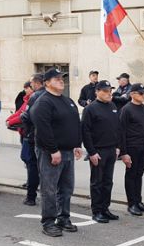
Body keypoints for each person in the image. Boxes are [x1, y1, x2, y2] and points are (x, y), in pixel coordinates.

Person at [30, 68, 82, 237]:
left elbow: (74, 124)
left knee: (66, 188)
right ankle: (48, 222)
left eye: (62, 78)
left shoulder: (68, 101)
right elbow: (43, 129)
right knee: (49, 189)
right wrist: (53, 150)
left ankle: (63, 217)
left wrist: (76, 144)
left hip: (68, 151)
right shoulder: (44, 102)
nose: (61, 80)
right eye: (56, 78)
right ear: (47, 82)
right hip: (50, 152)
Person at [82, 80, 121, 223]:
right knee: (97, 182)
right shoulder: (90, 109)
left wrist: (118, 147)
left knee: (107, 182)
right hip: (98, 151)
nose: (108, 93)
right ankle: (97, 211)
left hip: (111, 150)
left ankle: (105, 208)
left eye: (110, 90)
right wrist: (91, 152)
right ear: (97, 92)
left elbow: (117, 128)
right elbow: (85, 132)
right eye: (105, 91)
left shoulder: (112, 106)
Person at [119, 83, 144, 216]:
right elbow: (121, 132)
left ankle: (138, 201)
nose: (143, 95)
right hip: (132, 148)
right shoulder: (126, 109)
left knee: (139, 175)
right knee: (131, 175)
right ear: (132, 94)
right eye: (141, 93)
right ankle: (131, 203)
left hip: (143, 147)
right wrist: (124, 153)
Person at [18, 74, 46, 205]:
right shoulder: (50, 95)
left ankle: (31, 197)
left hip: (33, 136)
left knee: (32, 166)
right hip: (46, 137)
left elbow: (27, 116)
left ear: (36, 83)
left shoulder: (35, 96)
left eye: (31, 83)